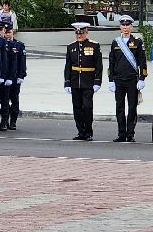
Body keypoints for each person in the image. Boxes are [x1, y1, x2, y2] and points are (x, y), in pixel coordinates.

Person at [108, 14, 147, 142]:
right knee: (119, 107)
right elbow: (111, 63)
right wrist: (111, 80)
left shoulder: (137, 41)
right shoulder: (115, 42)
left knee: (132, 107)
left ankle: (130, 133)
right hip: (119, 79)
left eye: (128, 25)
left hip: (132, 80)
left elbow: (142, 62)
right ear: (120, 26)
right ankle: (121, 133)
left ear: (131, 26)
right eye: (123, 25)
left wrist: (142, 78)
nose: (125, 27)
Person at [63, 20, 102, 141]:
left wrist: (97, 81)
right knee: (77, 108)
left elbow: (98, 65)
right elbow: (68, 66)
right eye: (77, 33)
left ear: (86, 32)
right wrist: (67, 82)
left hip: (88, 81)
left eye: (81, 33)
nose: (79, 35)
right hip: (75, 82)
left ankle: (88, 131)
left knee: (87, 107)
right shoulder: (71, 47)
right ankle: (80, 131)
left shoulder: (94, 46)